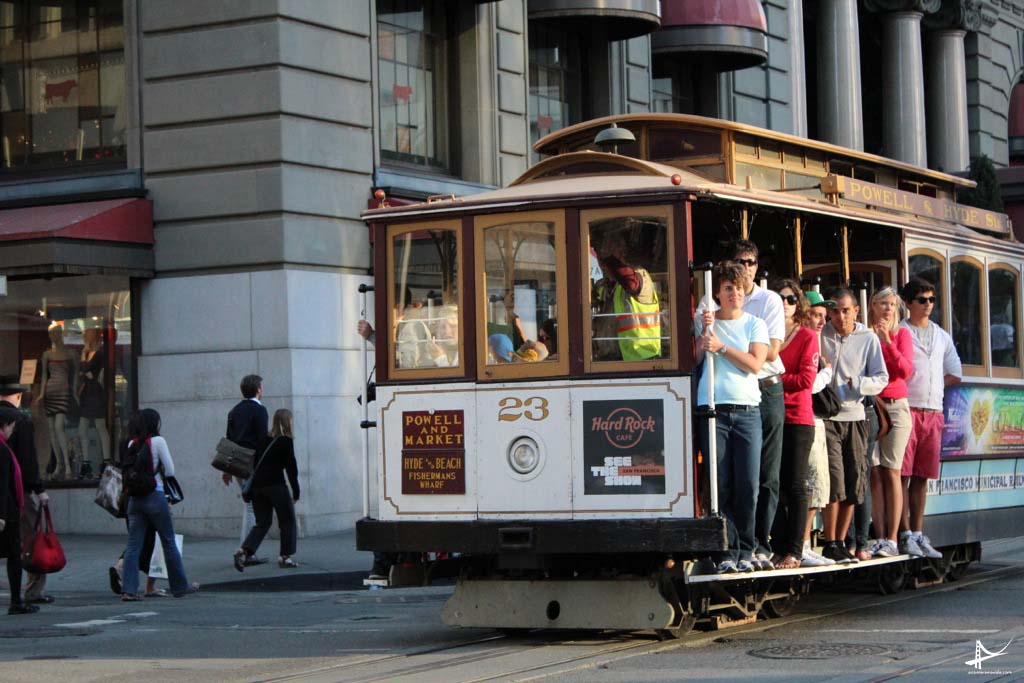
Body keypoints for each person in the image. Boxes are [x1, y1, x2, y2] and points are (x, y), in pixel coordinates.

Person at [699, 240, 786, 570]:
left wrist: (720, 347)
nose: (734, 293)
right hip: (715, 410)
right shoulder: (707, 321)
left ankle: (746, 550)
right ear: (718, 293)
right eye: (727, 288)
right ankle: (725, 552)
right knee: (721, 485)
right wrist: (705, 330)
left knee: (749, 485)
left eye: (738, 288)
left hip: (748, 410)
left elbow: (754, 363)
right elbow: (695, 356)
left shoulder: (755, 323)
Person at [819, 288, 889, 564]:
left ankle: (845, 541)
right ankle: (832, 540)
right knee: (833, 479)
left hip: (857, 415)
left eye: (845, 310)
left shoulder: (867, 338)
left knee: (854, 479)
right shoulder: (822, 333)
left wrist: (859, 384)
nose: (840, 316)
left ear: (856, 311)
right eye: (835, 311)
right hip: (829, 417)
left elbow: (881, 376)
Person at [899, 278, 962, 558]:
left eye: (931, 300)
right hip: (907, 408)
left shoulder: (941, 335)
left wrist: (934, 387)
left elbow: (955, 371)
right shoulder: (901, 330)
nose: (928, 305)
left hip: (932, 411)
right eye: (922, 300)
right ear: (909, 303)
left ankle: (918, 532)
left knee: (922, 476)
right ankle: (903, 533)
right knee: (903, 473)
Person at [120, 409, 198, 600]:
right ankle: (179, 586)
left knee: (133, 545)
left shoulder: (132, 443)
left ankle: (129, 590)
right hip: (155, 496)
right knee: (168, 541)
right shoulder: (158, 441)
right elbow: (170, 470)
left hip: (134, 500)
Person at [770, 280, 819, 570]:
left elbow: (805, 381)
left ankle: (794, 550)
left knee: (797, 484)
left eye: (790, 299)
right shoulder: (767, 332)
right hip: (772, 415)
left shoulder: (807, 337)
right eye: (780, 299)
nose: (785, 303)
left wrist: (775, 378)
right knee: (772, 483)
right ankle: (778, 546)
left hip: (799, 418)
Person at [867, 287, 914, 558]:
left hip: (895, 408)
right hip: (872, 407)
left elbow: (905, 371)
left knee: (891, 471)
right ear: (873, 306)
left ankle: (893, 538)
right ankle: (879, 534)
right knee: (874, 473)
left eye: (892, 305)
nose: (887, 308)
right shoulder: (865, 334)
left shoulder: (901, 334)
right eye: (883, 303)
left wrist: (888, 342)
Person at [0, 376, 52, 604]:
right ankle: (32, 590)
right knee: (29, 540)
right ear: (18, 396)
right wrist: (39, 489)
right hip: (17, 493)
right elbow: (28, 460)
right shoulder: (19, 419)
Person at [233, 409, 300, 571]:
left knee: (262, 522)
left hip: (257, 488)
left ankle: (244, 550)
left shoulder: (264, 439)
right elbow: (292, 469)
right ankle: (285, 557)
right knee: (287, 520)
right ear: (288, 422)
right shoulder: (285, 441)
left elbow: (255, 463)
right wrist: (296, 492)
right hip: (276, 486)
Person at [800, 291, 836, 567]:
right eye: (817, 314)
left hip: (816, 419)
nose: (822, 320)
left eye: (825, 316)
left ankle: (805, 542)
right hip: (806, 418)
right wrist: (827, 373)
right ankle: (800, 543)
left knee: (818, 484)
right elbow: (808, 384)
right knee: (811, 482)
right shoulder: (804, 339)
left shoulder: (816, 340)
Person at [222, 374, 267, 562]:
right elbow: (262, 440)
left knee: (248, 504)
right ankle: (246, 551)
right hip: (253, 462)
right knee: (251, 507)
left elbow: (229, 440)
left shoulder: (234, 411)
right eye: (261, 387)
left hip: (237, 462)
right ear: (258, 389)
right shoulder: (259, 410)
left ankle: (246, 549)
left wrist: (227, 468)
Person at [599, 236, 661, 361]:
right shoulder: (612, 287)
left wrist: (610, 260)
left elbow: (631, 284)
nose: (603, 266)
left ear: (622, 254)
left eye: (606, 262)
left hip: (644, 358)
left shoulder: (641, 275)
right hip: (618, 359)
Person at [0, 406, 37, 614]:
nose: (12, 430)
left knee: (13, 554)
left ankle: (17, 600)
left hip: (8, 510)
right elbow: (3, 483)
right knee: (14, 556)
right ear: (4, 426)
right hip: (8, 513)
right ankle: (16, 601)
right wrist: (3, 515)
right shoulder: (2, 449)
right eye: (11, 426)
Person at [38, 323, 77, 479]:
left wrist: (74, 391)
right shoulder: (47, 354)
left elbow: (75, 374)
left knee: (59, 426)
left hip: (63, 391)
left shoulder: (71, 353)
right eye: (52, 334)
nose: (55, 336)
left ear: (61, 334)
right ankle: (59, 464)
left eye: (57, 333)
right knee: (51, 430)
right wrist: (41, 394)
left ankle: (67, 464)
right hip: (50, 392)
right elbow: (44, 376)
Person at [78, 327, 111, 473]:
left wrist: (84, 360)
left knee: (100, 426)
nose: (87, 339)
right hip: (87, 392)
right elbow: (82, 371)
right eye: (86, 336)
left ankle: (106, 460)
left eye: (89, 336)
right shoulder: (86, 353)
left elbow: (87, 372)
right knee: (82, 428)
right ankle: (86, 462)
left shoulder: (99, 354)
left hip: (96, 391)